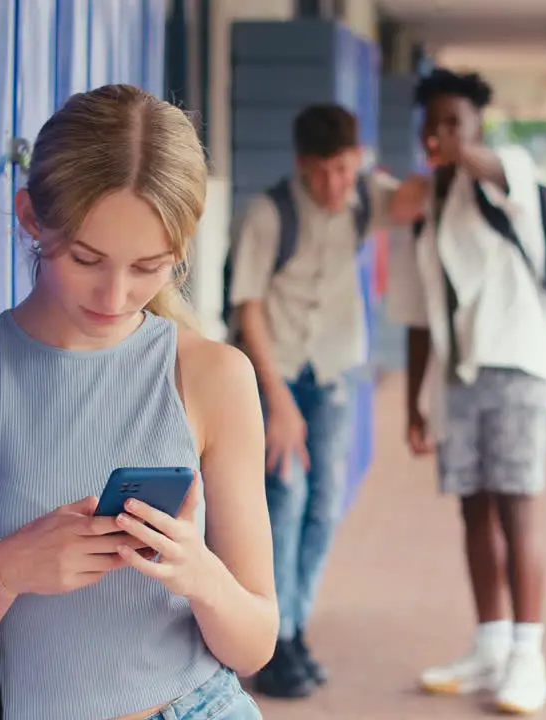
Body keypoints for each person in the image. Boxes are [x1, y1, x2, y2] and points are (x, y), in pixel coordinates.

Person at [0, 84, 276, 720]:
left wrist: (196, 572)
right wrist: (6, 570)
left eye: (150, 267)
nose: (116, 294)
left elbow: (255, 643)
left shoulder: (214, 376)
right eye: (86, 258)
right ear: (30, 218)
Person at [228, 103, 427, 698]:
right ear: (301, 166)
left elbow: (416, 200)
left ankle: (297, 626)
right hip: (278, 374)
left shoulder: (365, 197)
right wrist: (279, 401)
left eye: (348, 168)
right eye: (328, 173)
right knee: (283, 502)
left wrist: (443, 150)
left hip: (336, 372)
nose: (340, 184)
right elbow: (249, 309)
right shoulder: (268, 214)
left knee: (324, 503)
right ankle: (275, 639)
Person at [386, 68, 546, 715]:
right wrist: (414, 405)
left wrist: (459, 153)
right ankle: (490, 647)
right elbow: (419, 316)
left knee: (517, 506)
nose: (441, 134)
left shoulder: (508, 171)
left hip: (517, 365)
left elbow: (488, 163)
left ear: (476, 126)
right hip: (456, 378)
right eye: (432, 124)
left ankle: (527, 658)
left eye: (454, 122)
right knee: (472, 509)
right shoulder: (424, 205)